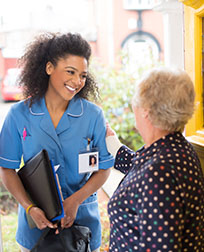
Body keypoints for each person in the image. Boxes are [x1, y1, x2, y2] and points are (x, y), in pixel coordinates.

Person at [0, 32, 114, 252]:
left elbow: (104, 168)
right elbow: (7, 169)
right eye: (70, 72)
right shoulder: (19, 115)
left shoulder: (93, 116)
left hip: (83, 228)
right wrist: (30, 207)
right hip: (35, 232)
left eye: (82, 75)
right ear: (49, 68)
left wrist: (75, 201)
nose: (77, 81)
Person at [106, 68, 204, 251]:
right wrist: (113, 146)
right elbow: (141, 169)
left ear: (146, 110)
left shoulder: (159, 174)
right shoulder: (177, 149)